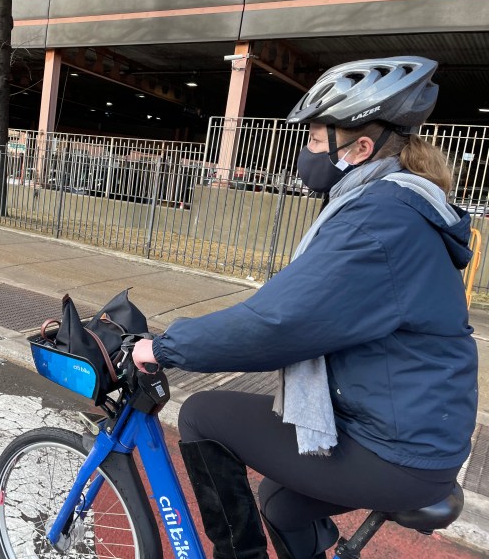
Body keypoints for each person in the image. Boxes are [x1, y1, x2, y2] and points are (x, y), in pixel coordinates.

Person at [133, 56, 478, 559]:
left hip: (398, 450)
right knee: (280, 503)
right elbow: (301, 305)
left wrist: (164, 347)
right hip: (414, 434)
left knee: (205, 413)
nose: (307, 151)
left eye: (317, 139)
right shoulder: (390, 206)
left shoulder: (378, 221)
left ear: (361, 147)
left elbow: (278, 322)